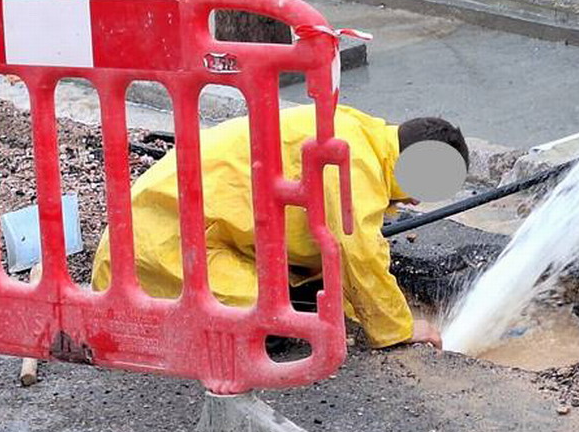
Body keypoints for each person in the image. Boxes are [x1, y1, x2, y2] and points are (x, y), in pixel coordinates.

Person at [90, 104, 469, 350]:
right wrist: (400, 330)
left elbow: (347, 250)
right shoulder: (358, 162)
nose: (418, 202)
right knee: (273, 319)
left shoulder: (362, 135)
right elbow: (357, 250)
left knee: (302, 306)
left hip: (170, 229)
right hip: (157, 246)